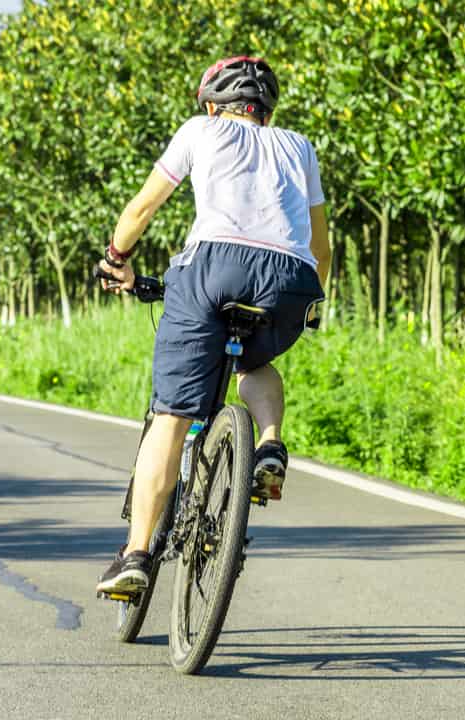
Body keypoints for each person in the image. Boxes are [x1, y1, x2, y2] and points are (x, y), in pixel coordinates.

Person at [94, 56, 331, 596]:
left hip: (211, 269)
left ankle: (134, 555)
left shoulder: (200, 131)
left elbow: (141, 209)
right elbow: (321, 246)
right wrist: (313, 303)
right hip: (292, 279)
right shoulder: (300, 147)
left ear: (211, 104)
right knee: (255, 362)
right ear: (266, 113)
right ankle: (269, 444)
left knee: (172, 416)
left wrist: (117, 258)